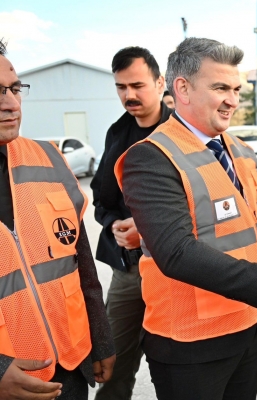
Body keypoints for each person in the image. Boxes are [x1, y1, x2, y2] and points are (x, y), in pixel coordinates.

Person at [115, 37, 257, 400]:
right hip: (190, 345)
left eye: (236, 88)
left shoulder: (240, 151)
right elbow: (176, 253)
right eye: (220, 88)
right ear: (181, 88)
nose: (233, 100)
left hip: (244, 327)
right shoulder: (150, 157)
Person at [0, 39, 115, 399]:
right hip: (11, 380)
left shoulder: (48, 158)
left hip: (70, 369)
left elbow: (79, 261)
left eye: (15, 88)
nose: (10, 103)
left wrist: (100, 336)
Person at [90, 46, 172, 400]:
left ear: (160, 82)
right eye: (121, 87)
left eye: (137, 85)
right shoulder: (117, 133)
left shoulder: (181, 133)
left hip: (175, 271)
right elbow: (100, 198)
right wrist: (114, 225)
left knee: (174, 367)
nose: (129, 95)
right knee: (113, 365)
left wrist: (148, 230)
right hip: (128, 271)